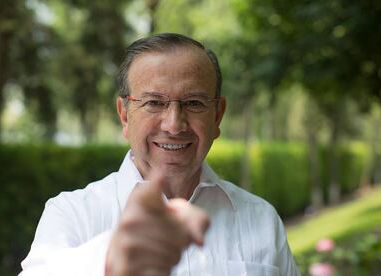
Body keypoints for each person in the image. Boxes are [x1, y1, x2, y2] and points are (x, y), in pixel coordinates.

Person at [20, 33, 300, 276]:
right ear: (124, 116)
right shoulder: (72, 213)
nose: (174, 125)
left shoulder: (261, 218)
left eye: (193, 103)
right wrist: (108, 260)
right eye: (154, 102)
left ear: (218, 115)